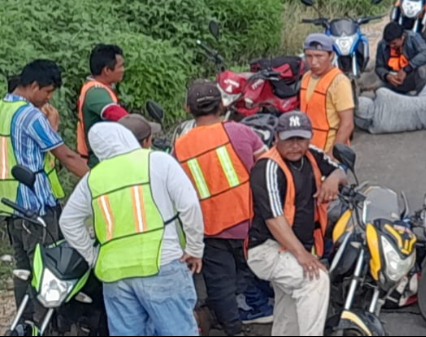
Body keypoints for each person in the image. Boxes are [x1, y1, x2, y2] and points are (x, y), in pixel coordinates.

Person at [61, 121, 204, 336]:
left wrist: (93, 256)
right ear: (124, 137)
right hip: (161, 265)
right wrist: (194, 248)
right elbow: (190, 205)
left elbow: (68, 221)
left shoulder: (93, 179)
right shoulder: (157, 161)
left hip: (115, 275)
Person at [173, 81, 268, 337]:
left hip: (209, 227)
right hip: (247, 220)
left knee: (219, 282)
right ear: (223, 104)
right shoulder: (241, 132)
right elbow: (268, 166)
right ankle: (248, 307)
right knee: (251, 271)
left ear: (187, 108)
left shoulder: (180, 146)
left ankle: (233, 328)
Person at [245, 112, 346, 336]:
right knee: (315, 280)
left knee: (289, 307)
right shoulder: (267, 168)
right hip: (266, 249)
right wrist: (302, 254)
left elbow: (340, 170)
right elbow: (274, 219)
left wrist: (333, 178)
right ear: (276, 138)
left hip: (291, 249)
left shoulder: (312, 155)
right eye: (289, 139)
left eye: (300, 139)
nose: (295, 145)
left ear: (309, 138)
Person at [3, 61, 89, 319]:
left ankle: (24, 322)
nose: (48, 98)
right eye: (48, 92)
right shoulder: (29, 115)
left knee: (23, 269)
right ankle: (46, 324)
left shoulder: (2, 108)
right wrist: (101, 181)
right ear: (32, 86)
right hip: (36, 205)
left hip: (9, 206)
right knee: (48, 270)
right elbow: (66, 156)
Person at [299, 34, 355, 152]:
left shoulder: (339, 82)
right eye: (309, 56)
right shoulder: (306, 77)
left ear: (331, 56)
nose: (313, 62)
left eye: (319, 56)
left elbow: (347, 124)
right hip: (309, 149)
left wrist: (333, 154)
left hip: (328, 150)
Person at [77, 43, 129, 167]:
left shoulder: (99, 88)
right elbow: (113, 112)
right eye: (120, 66)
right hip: (100, 161)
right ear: (106, 70)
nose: (123, 70)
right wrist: (138, 124)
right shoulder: (96, 92)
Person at [375, 22, 426, 96]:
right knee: (379, 88)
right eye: (389, 44)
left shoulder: (413, 37)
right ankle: (404, 98)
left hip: (413, 75)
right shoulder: (382, 44)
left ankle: (422, 98)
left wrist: (406, 69)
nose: (391, 46)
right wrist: (387, 76)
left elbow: (425, 54)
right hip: (395, 78)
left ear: (402, 37)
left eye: (394, 43)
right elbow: (379, 67)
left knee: (422, 69)